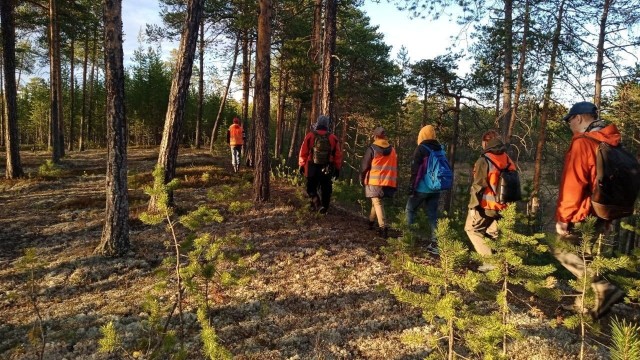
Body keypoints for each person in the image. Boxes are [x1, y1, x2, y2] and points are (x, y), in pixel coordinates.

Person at [554, 101, 625, 319]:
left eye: (569, 120)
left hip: (582, 212)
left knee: (563, 252)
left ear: (580, 118)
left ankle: (604, 289)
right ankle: (583, 305)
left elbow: (573, 184)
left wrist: (564, 217)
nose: (569, 125)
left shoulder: (583, 143)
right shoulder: (610, 142)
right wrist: (608, 218)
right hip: (600, 211)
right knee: (584, 257)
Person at [464, 130, 517, 272]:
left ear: (485, 143)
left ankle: (490, 263)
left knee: (472, 229)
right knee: (495, 233)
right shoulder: (506, 158)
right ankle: (505, 265)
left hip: (488, 205)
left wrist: (472, 207)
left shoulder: (484, 159)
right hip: (505, 205)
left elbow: (478, 185)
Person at [406, 125, 443, 252]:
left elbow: (415, 170)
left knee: (410, 210)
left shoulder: (421, 148)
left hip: (422, 187)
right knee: (433, 215)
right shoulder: (440, 148)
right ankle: (435, 244)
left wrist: (412, 187)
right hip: (436, 188)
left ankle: (408, 237)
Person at [298, 115, 343, 214]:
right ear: (327, 124)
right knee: (326, 189)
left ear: (317, 123)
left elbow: (303, 152)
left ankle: (317, 204)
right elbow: (338, 155)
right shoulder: (333, 137)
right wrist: (337, 168)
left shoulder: (310, 135)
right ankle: (324, 209)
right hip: (327, 167)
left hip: (311, 166)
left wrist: (301, 165)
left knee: (311, 188)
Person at [360, 127, 398, 238]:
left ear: (375, 136)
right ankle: (371, 222)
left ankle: (383, 227)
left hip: (374, 181)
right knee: (376, 201)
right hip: (388, 182)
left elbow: (364, 166)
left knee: (377, 202)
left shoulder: (372, 149)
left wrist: (362, 178)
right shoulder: (393, 150)